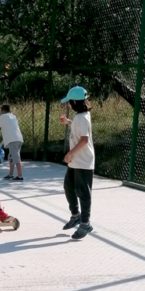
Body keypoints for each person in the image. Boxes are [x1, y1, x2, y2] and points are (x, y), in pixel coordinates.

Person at [59, 87, 95, 240]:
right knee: (68, 186)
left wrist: (70, 153)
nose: (68, 105)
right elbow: (80, 129)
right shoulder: (81, 116)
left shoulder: (82, 117)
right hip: (76, 162)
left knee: (83, 193)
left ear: (74, 102)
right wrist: (69, 122)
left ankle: (85, 224)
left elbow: (84, 140)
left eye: (69, 102)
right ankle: (76, 215)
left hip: (83, 161)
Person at [0, 104, 24, 181]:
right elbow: (8, 126)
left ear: (2, 111)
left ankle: (20, 176)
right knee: (11, 157)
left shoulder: (2, 117)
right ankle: (10, 174)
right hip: (18, 138)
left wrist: (0, 116)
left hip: (12, 140)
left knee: (16, 158)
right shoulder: (13, 116)